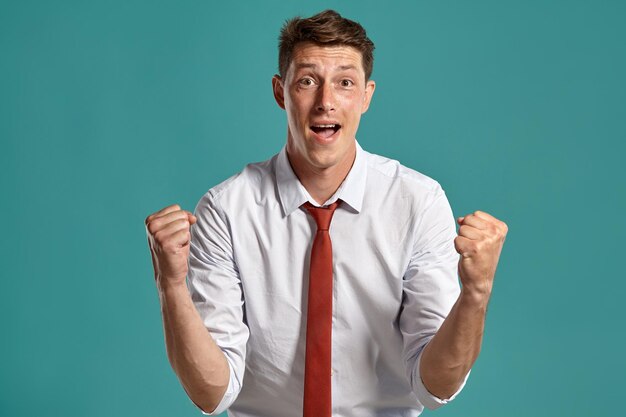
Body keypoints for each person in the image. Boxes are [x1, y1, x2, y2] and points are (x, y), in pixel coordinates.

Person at [145, 9, 508, 417]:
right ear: (280, 92)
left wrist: (476, 294)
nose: (326, 102)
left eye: (345, 83)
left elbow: (435, 386)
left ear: (366, 95)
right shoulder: (226, 210)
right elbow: (212, 393)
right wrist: (171, 287)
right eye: (307, 81)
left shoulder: (418, 202)